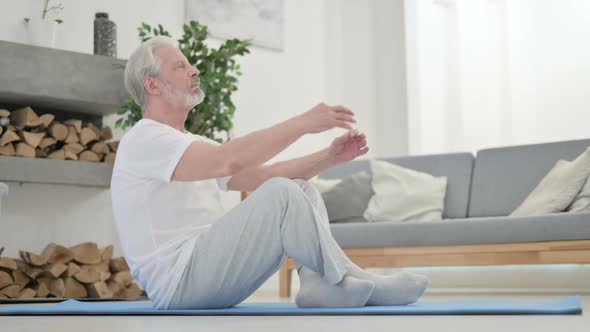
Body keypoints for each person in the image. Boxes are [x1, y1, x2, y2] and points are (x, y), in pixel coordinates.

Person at [111, 36, 428, 310]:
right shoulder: (144, 138)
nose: (194, 70)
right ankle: (353, 278)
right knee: (282, 192)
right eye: (180, 66)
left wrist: (329, 157)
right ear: (151, 84)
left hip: (208, 272)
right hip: (179, 281)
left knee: (299, 188)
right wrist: (303, 123)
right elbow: (229, 161)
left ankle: (319, 283)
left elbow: (261, 176)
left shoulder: (190, 144)